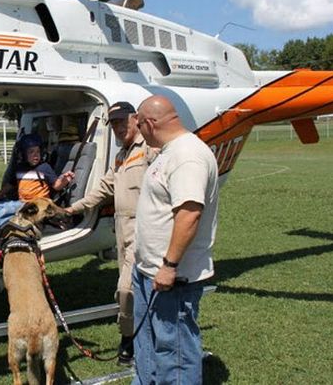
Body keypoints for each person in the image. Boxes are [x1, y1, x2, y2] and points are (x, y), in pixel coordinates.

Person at [132, 95, 218, 385]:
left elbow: (189, 213)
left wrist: (169, 266)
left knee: (176, 350)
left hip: (171, 278)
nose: (138, 132)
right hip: (148, 271)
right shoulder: (169, 151)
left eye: (139, 124)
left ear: (151, 123)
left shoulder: (187, 155)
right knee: (147, 343)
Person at [64, 101, 156, 366]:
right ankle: (139, 337)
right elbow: (105, 187)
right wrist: (74, 209)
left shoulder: (148, 148)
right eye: (113, 124)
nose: (117, 128)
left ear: (135, 119)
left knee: (125, 290)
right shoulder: (121, 154)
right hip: (121, 229)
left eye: (121, 122)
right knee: (135, 288)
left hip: (142, 227)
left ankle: (128, 340)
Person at [0, 133, 75, 244]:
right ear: (23, 154)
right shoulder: (20, 168)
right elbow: (10, 185)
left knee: (3, 210)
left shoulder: (44, 167)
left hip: (35, 205)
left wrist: (65, 179)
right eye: (31, 152)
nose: (36, 155)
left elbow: (56, 185)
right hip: (21, 202)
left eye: (38, 152)